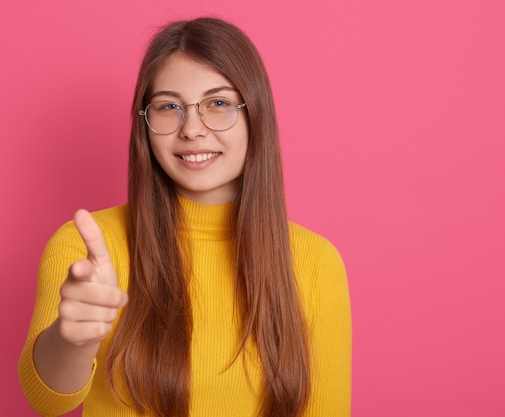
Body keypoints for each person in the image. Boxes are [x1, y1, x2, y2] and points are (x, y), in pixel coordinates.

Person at [18, 17, 351, 417]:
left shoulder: (315, 262)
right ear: (145, 124)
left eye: (219, 103)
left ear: (255, 115)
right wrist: (73, 340)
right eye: (169, 107)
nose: (192, 129)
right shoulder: (86, 246)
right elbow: (49, 400)